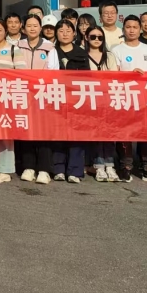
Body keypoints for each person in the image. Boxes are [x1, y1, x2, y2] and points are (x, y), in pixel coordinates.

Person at [110, 15, 147, 182]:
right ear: (123, 29)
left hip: (146, 97)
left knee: (146, 132)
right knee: (125, 133)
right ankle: (126, 165)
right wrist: (130, 75)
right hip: (125, 96)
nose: (131, 30)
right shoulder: (117, 50)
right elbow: (114, 74)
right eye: (128, 27)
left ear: (140, 29)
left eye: (135, 27)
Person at [0, 18, 28, 183]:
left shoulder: (14, 49)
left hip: (6, 97)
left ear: (5, 31)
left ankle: (5, 169)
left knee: (6, 132)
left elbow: (21, 74)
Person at [17, 14, 58, 182]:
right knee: (26, 130)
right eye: (29, 25)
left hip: (43, 94)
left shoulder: (50, 48)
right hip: (23, 94)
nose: (32, 28)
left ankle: (44, 169)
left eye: (35, 25)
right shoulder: (17, 46)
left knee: (43, 132)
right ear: (23, 28)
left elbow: (54, 71)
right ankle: (28, 166)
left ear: (40, 28)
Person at [49, 19, 89, 184]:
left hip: (76, 99)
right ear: (56, 34)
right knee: (58, 134)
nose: (64, 34)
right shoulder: (52, 52)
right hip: (56, 98)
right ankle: (58, 168)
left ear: (74, 33)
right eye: (61, 31)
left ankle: (75, 170)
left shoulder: (81, 53)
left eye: (68, 31)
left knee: (76, 134)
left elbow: (87, 77)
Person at [83, 24, 119, 182]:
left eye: (100, 37)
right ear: (86, 38)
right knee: (96, 134)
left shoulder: (110, 56)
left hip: (108, 99)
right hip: (90, 100)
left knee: (109, 134)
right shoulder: (82, 55)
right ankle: (98, 166)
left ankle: (110, 165)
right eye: (93, 36)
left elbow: (115, 76)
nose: (96, 39)